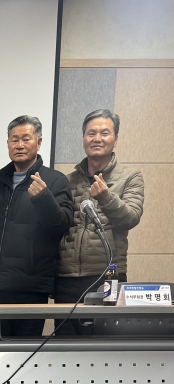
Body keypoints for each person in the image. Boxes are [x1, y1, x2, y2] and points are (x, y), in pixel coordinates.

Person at [0, 115, 73, 337]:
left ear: (39, 142)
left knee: (26, 351)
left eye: (26, 139)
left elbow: (62, 225)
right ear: (7, 143)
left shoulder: (55, 181)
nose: (19, 145)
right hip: (0, 285)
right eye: (14, 139)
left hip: (33, 286)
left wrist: (44, 198)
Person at [54, 109, 144, 334]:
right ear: (83, 138)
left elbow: (130, 218)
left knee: (105, 341)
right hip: (67, 277)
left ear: (116, 140)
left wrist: (106, 198)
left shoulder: (130, 176)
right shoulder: (67, 180)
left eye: (104, 133)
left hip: (108, 275)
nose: (97, 138)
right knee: (65, 342)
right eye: (91, 133)